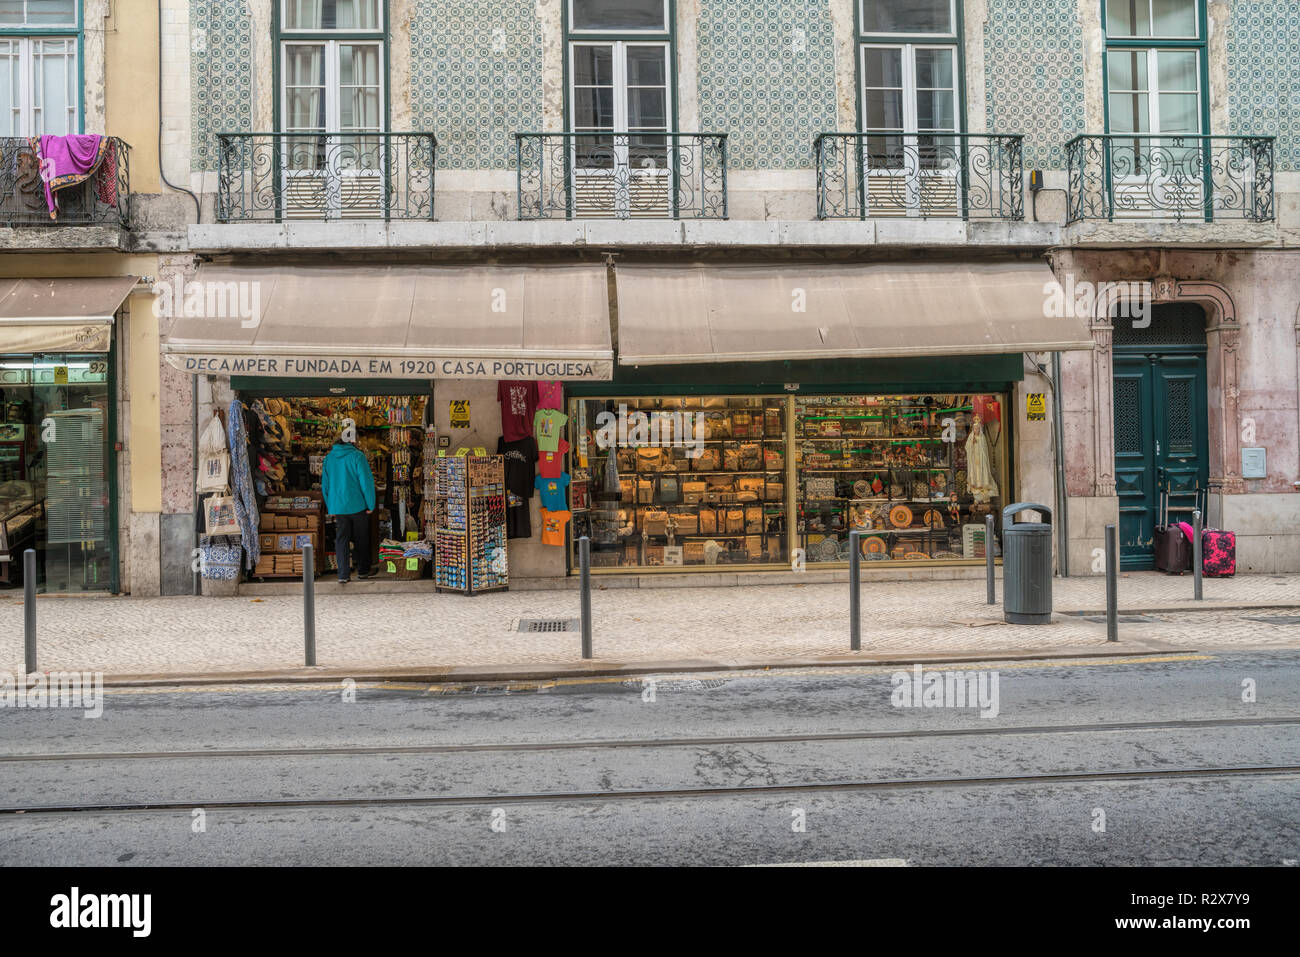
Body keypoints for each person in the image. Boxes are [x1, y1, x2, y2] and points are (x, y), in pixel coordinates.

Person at [322, 430, 377, 583]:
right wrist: (371, 504)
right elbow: (366, 482)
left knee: (341, 539)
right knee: (361, 538)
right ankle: (363, 571)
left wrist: (330, 506)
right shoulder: (358, 456)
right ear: (353, 441)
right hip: (358, 505)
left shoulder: (329, 458)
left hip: (338, 506)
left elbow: (325, 486)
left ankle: (343, 574)